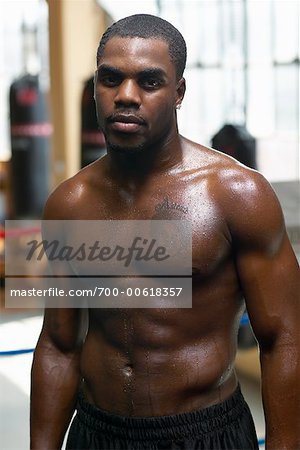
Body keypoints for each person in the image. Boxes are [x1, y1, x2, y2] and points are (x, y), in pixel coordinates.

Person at [30, 14, 300, 450]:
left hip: (203, 433)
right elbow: (58, 345)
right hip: (98, 431)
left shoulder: (236, 194)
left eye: (149, 82)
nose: (126, 96)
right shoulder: (68, 203)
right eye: (111, 79)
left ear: (179, 93)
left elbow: (285, 336)